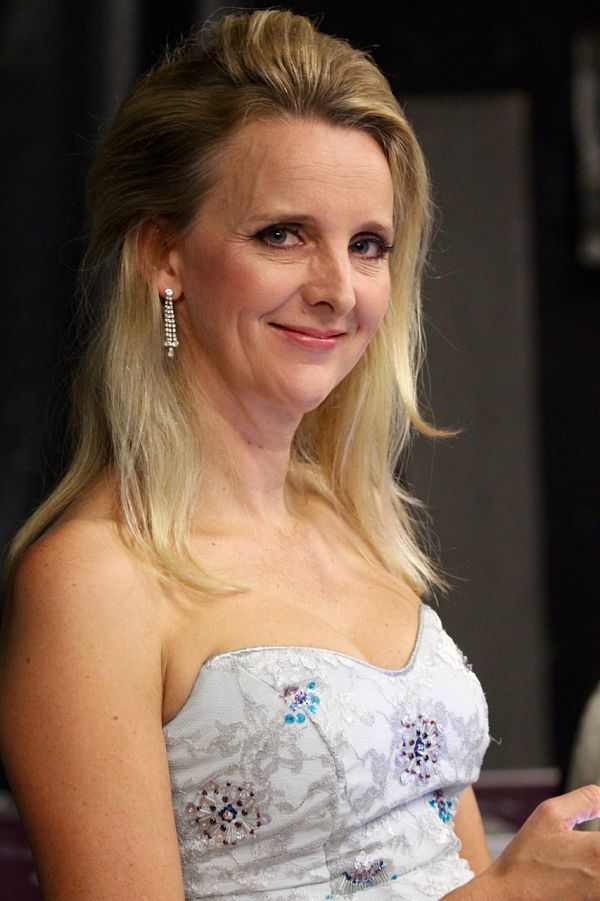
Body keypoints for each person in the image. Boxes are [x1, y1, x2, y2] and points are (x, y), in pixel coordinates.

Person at [0, 9, 599, 900]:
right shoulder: (93, 580)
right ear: (165, 255)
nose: (337, 290)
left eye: (368, 245)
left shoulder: (357, 521)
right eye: (282, 234)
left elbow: (459, 864)